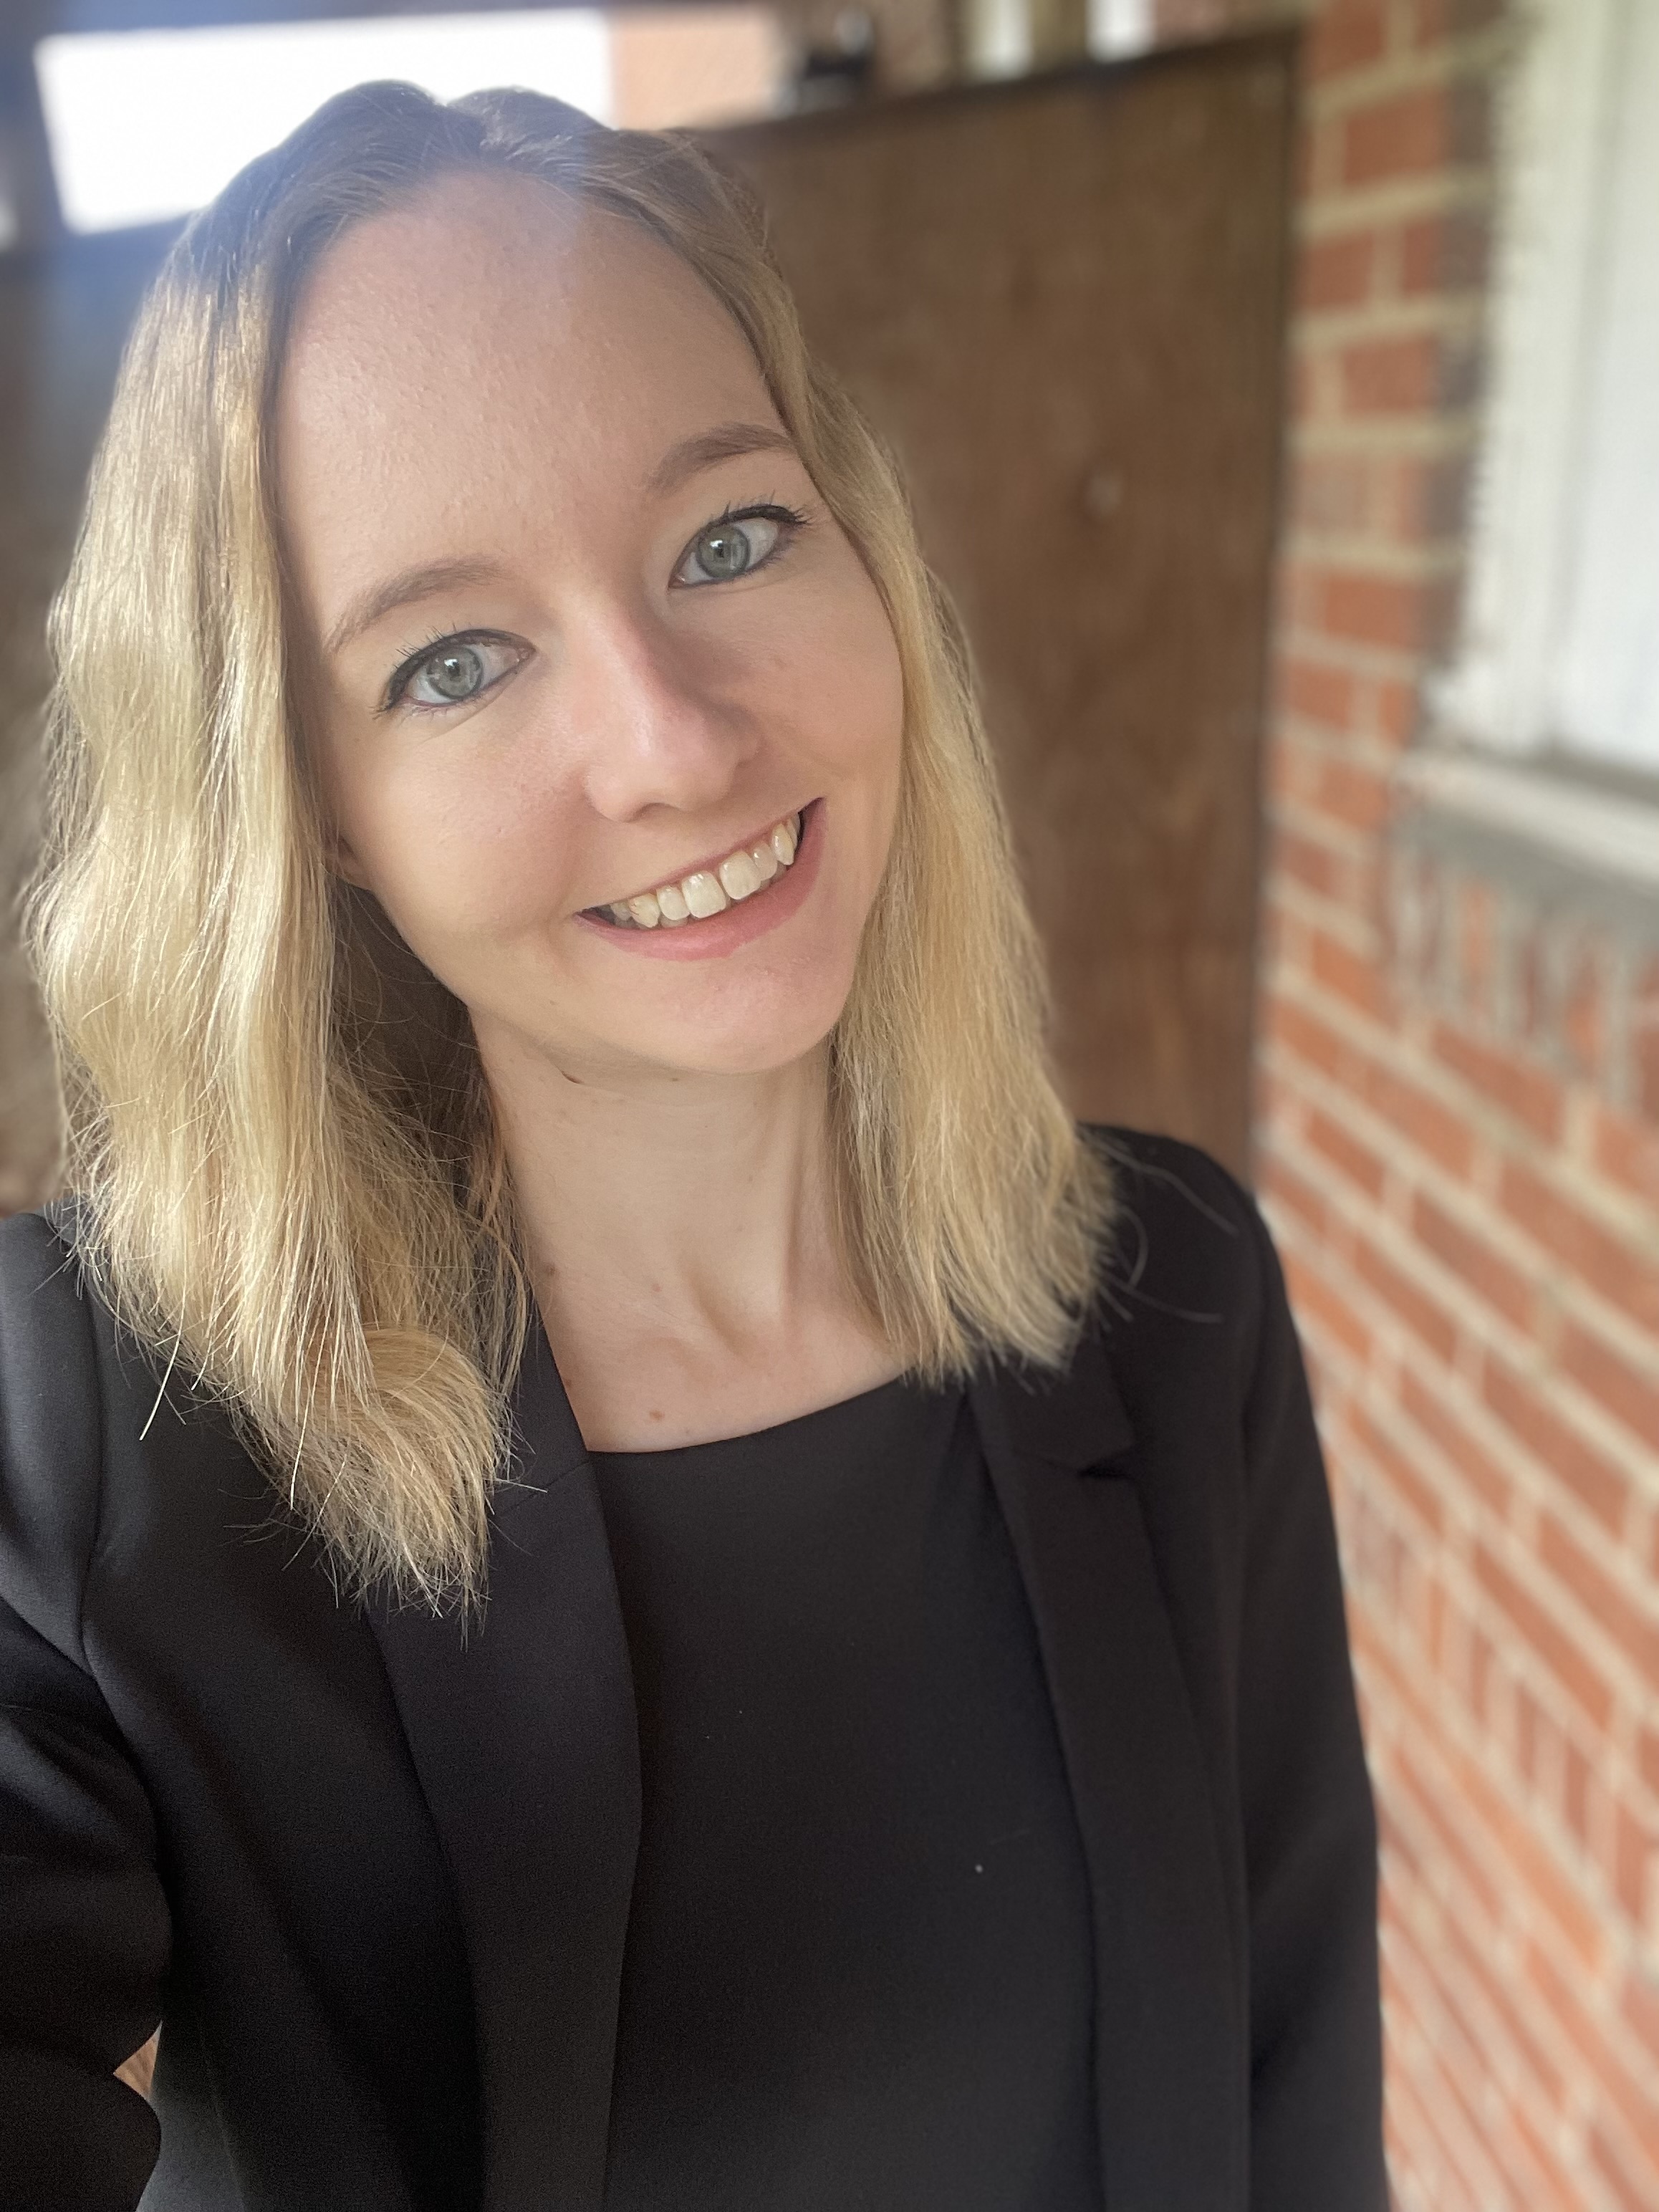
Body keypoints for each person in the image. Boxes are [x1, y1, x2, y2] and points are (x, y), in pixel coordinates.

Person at [0, 82, 1385, 2212]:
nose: (669, 742)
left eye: (729, 536)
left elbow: (1295, 2112)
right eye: (454, 663)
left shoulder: (1168, 1292)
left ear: (864, 558)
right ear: (316, 821)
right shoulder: (112, 1418)